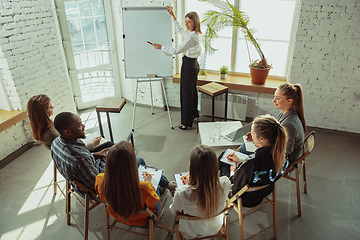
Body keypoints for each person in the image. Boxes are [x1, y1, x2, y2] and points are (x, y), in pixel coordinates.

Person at [51, 112, 175, 197]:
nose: (83, 126)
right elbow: (101, 185)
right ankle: (164, 186)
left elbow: (80, 164)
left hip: (83, 177)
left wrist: (96, 154)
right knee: (138, 160)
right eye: (79, 125)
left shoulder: (56, 142)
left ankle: (164, 184)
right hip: (97, 186)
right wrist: (109, 163)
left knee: (112, 147)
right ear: (67, 132)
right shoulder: (81, 159)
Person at [152, 6, 202, 130]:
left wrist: (161, 47)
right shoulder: (195, 33)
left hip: (189, 65)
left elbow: (176, 50)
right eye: (185, 22)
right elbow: (181, 31)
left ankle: (186, 123)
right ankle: (193, 113)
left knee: (186, 93)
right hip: (194, 64)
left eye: (189, 22)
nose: (186, 24)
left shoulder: (192, 37)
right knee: (191, 91)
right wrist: (174, 16)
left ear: (195, 22)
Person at [223, 115, 287, 207]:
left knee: (224, 163)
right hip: (262, 193)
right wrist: (241, 160)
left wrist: (232, 171)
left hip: (245, 199)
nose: (250, 135)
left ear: (262, 139)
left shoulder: (251, 162)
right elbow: (260, 167)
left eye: (252, 133)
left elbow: (235, 188)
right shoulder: (280, 156)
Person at [169, 145, 231, 239]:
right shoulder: (225, 183)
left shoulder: (182, 192)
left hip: (192, 231)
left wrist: (184, 187)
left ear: (193, 168)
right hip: (215, 227)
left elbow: (174, 211)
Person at [95, 141, 161, 226]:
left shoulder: (99, 178)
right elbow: (153, 204)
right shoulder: (144, 188)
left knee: (140, 160)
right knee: (153, 173)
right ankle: (170, 186)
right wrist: (149, 183)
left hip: (117, 215)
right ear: (131, 165)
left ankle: (169, 185)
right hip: (143, 220)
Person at [240, 83, 306, 167]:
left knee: (243, 148)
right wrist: (258, 136)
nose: (273, 100)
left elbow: (284, 154)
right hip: (276, 150)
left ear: (289, 101)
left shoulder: (289, 125)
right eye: (275, 96)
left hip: (281, 162)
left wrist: (261, 144)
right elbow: (276, 134)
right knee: (245, 146)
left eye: (278, 98)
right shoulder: (285, 113)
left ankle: (238, 173)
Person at [27, 94, 101, 150]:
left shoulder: (43, 127)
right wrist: (92, 144)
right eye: (50, 107)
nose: (53, 107)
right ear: (43, 112)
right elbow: (73, 150)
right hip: (78, 152)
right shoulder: (50, 134)